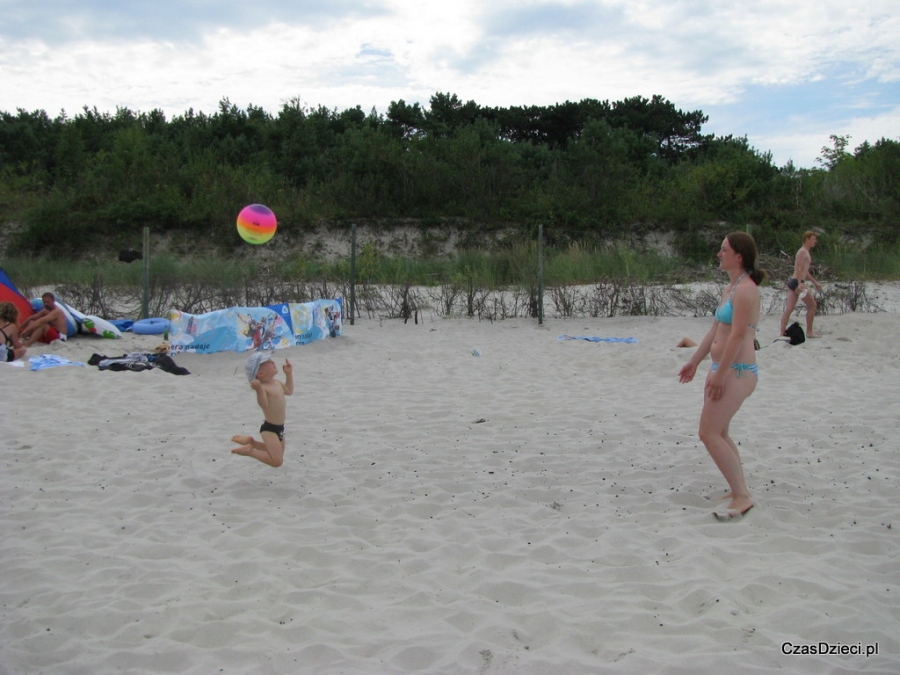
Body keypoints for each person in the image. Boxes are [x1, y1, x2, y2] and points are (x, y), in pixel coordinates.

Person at [678, 232, 765, 521]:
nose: (719, 254)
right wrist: (695, 362)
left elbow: (739, 336)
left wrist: (722, 374)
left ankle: (742, 496)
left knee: (708, 432)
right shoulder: (731, 288)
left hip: (737, 372)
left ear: (738, 256)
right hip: (721, 369)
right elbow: (715, 331)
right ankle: (736, 488)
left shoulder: (746, 290)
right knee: (721, 432)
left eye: (723, 250)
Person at [231, 352, 294, 467]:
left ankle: (251, 442)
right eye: (268, 362)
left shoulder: (277, 383)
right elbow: (263, 404)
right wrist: (259, 390)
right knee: (277, 461)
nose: (272, 362)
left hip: (280, 427)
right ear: (260, 373)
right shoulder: (264, 388)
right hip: (269, 430)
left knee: (277, 452)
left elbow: (289, 391)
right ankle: (250, 451)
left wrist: (288, 374)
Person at [779, 231, 823, 339]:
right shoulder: (802, 252)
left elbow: (805, 271)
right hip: (797, 282)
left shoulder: (806, 252)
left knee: (789, 308)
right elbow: (798, 268)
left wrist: (814, 282)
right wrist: (799, 284)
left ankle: (782, 332)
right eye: (813, 239)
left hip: (796, 281)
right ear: (807, 239)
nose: (815, 241)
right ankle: (809, 331)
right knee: (812, 305)